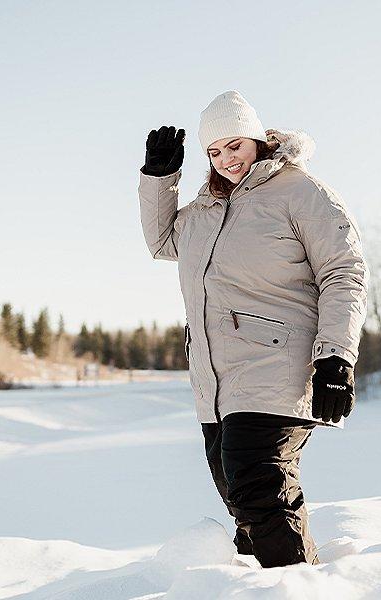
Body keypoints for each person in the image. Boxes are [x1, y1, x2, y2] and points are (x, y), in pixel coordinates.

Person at [137, 90, 369, 567]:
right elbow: (162, 242)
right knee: (245, 503)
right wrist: (161, 178)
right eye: (214, 152)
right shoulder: (203, 211)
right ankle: (267, 583)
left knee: (259, 489)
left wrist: (336, 357)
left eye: (235, 146)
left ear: (259, 139)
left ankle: (295, 589)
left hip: (277, 368)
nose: (227, 161)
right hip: (215, 383)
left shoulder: (300, 191)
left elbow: (344, 272)